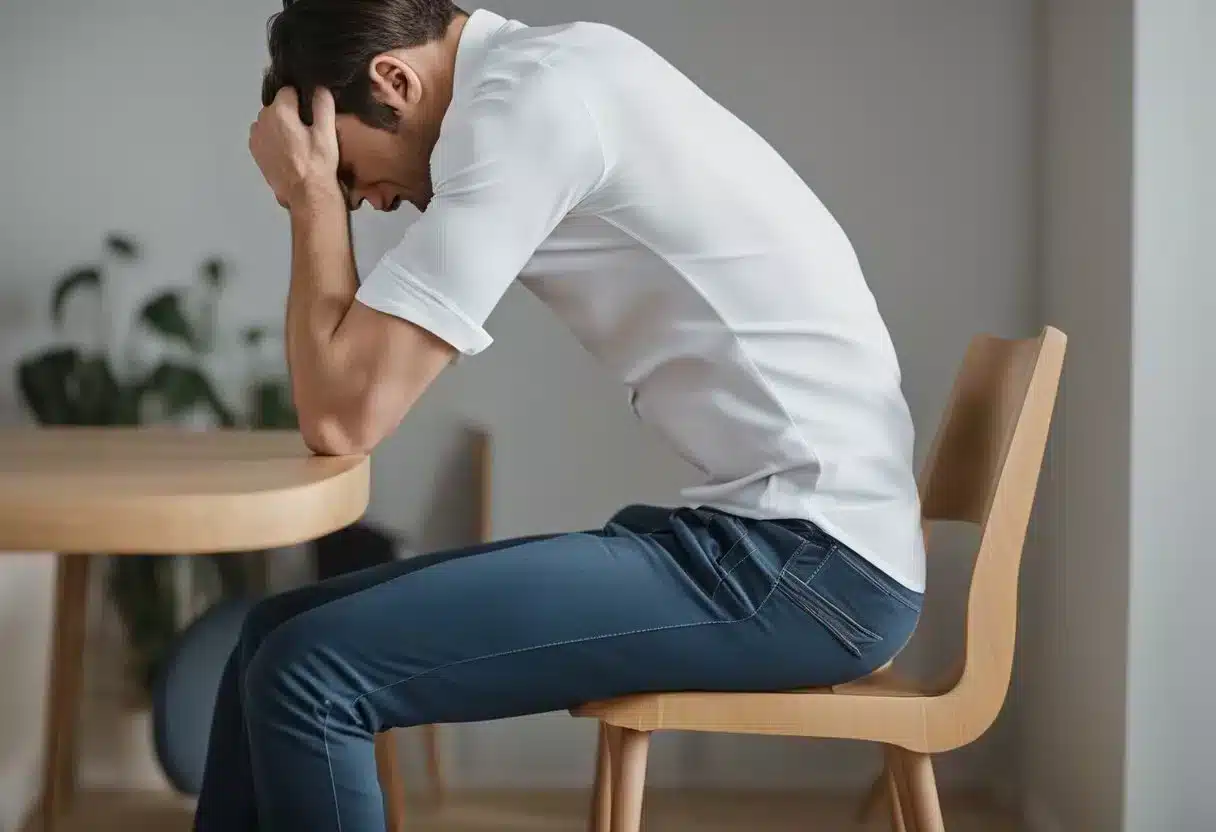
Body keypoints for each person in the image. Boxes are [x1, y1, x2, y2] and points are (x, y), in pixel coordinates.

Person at [195, 2, 926, 829]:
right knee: (274, 633)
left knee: (308, 673)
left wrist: (310, 203)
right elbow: (340, 404)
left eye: (354, 174)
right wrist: (326, 191)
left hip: (805, 571)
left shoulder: (529, 110)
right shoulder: (554, 74)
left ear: (394, 81)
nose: (374, 202)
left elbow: (342, 421)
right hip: (774, 545)